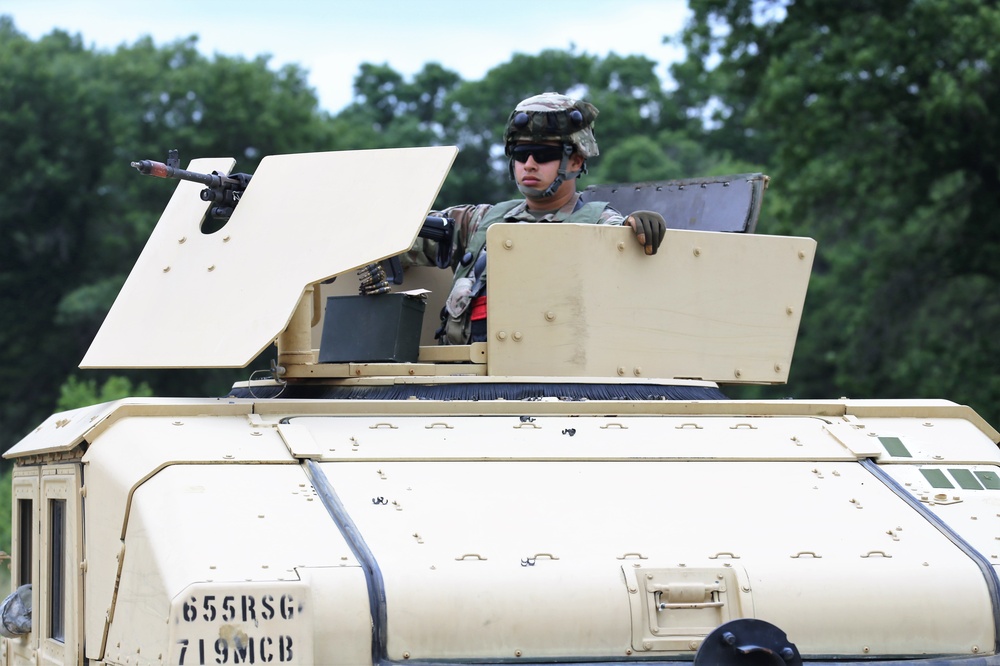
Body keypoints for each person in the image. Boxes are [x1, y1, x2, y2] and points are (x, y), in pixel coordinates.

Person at [412, 92, 666, 345]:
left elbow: (618, 233)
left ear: (576, 161)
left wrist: (634, 226)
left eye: (543, 155)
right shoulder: (479, 221)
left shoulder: (595, 223)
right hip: (464, 374)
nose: (529, 164)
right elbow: (403, 233)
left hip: (555, 375)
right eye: (521, 154)